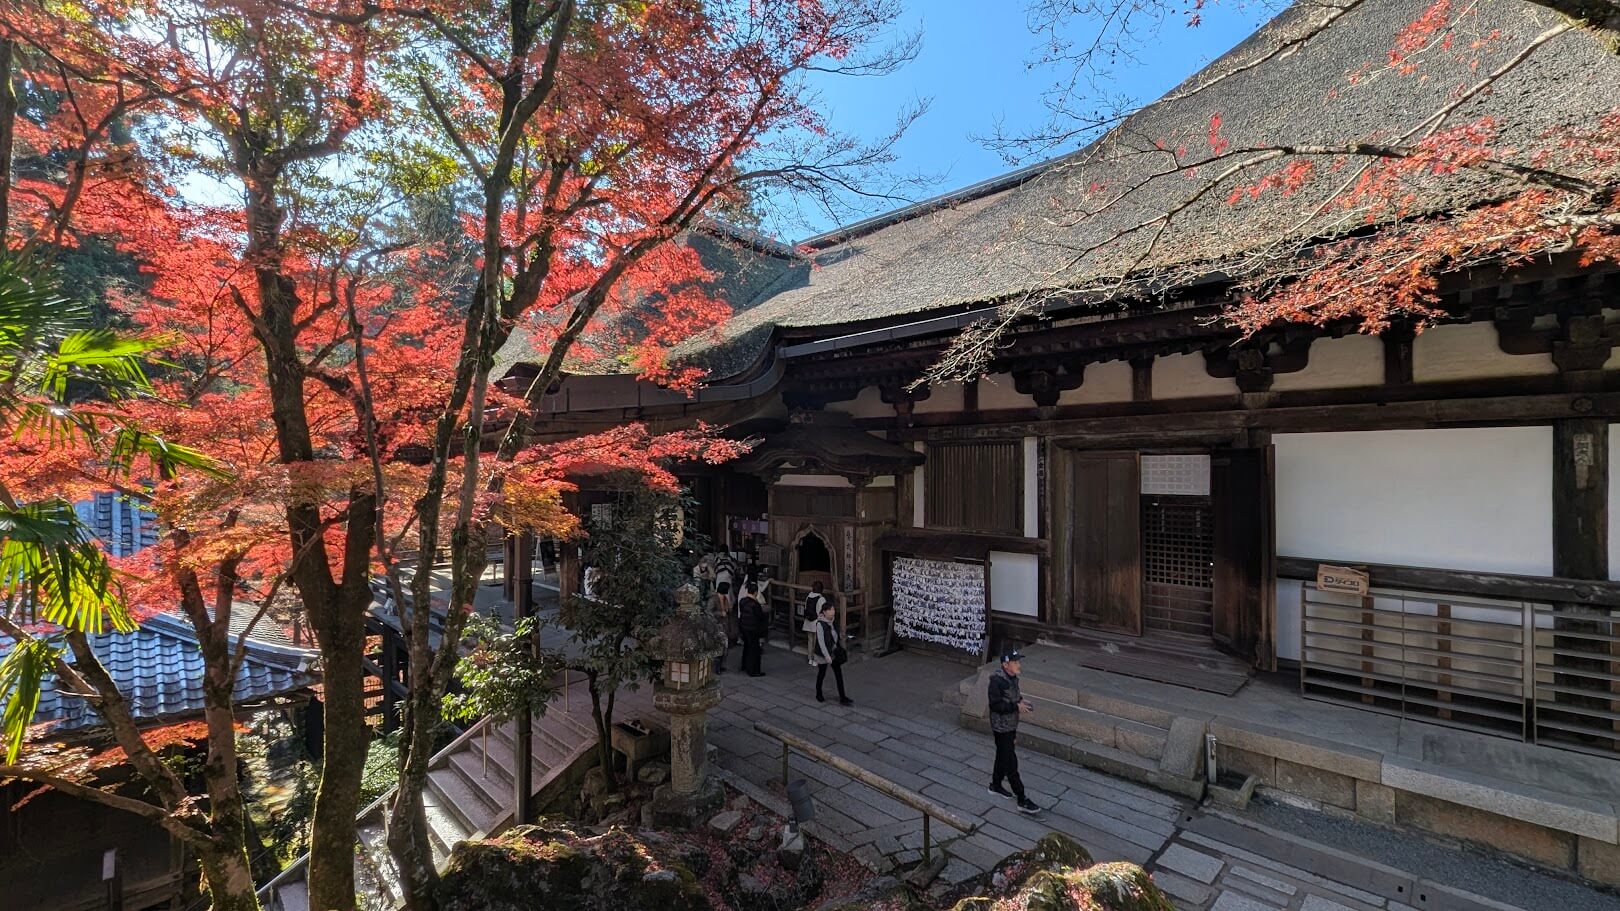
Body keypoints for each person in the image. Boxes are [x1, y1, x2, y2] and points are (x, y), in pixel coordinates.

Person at [987, 649, 1041, 814]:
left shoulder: (1012, 678)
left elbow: (1012, 695)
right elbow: (995, 705)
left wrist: (1021, 700)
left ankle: (995, 785)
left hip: (1011, 725)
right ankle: (1021, 798)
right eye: (1015, 662)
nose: (1019, 665)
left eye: (1018, 662)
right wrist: (1016, 706)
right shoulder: (997, 681)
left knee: (1002, 756)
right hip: (1002, 727)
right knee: (1011, 763)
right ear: (1005, 665)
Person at [812, 599, 852, 705]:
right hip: (823, 653)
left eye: (833, 609)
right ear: (824, 612)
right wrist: (827, 656)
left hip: (834, 652)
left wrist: (843, 637)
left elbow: (836, 635)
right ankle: (818, 693)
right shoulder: (820, 624)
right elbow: (821, 642)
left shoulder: (834, 621)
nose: (832, 611)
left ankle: (843, 697)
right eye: (830, 610)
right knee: (822, 673)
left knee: (838, 674)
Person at [737, 580, 768, 677]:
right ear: (756, 592)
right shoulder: (755, 604)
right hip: (753, 629)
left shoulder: (742, 601)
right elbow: (760, 617)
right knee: (754, 650)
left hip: (744, 627)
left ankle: (744, 665)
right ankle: (753, 670)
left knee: (746, 647)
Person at [709, 580, 734, 674]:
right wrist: (720, 613)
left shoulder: (725, 599)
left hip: (725, 626)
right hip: (717, 626)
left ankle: (722, 665)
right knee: (718, 648)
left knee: (725, 648)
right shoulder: (713, 599)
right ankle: (716, 668)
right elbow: (709, 612)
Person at [802, 582, 828, 663]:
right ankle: (815, 660)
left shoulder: (808, 596)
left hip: (808, 622)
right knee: (817, 642)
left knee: (810, 640)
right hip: (817, 623)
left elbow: (806, 607)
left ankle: (810, 658)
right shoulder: (821, 598)